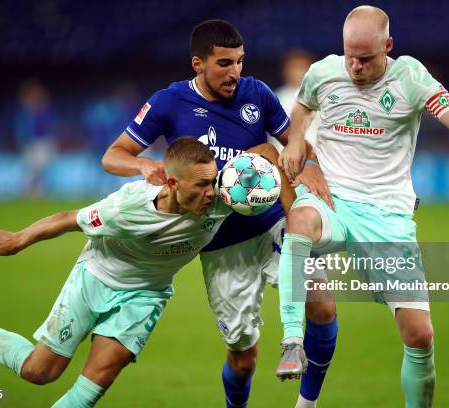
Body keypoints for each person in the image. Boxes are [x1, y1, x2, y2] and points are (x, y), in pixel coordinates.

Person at [276, 5, 449, 408]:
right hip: (332, 200)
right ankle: (290, 340)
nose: (354, 66)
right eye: (349, 55)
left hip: (387, 217)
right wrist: (298, 139)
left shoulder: (411, 76)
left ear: (388, 46)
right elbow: (302, 108)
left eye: (366, 58)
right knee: (299, 221)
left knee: (420, 336)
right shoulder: (323, 72)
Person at [101, 19, 334, 408]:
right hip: (220, 243)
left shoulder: (256, 94)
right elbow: (113, 155)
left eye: (240, 62)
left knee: (322, 303)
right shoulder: (169, 102)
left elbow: (290, 139)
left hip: (273, 220)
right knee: (243, 359)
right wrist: (143, 167)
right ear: (198, 63)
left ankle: (306, 404)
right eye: (225, 63)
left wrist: (306, 162)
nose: (235, 72)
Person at [0, 137, 231, 407]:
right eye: (201, 185)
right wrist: (19, 239)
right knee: (40, 371)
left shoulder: (226, 197)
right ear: (172, 185)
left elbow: (265, 161)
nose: (210, 192)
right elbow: (68, 219)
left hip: (145, 296)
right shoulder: (127, 207)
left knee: (91, 388)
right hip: (95, 279)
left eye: (212, 181)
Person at [270, 49, 320, 151]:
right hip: (282, 154)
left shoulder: (320, 97)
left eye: (301, 68)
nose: (297, 73)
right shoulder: (276, 97)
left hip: (315, 156)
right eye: (293, 68)